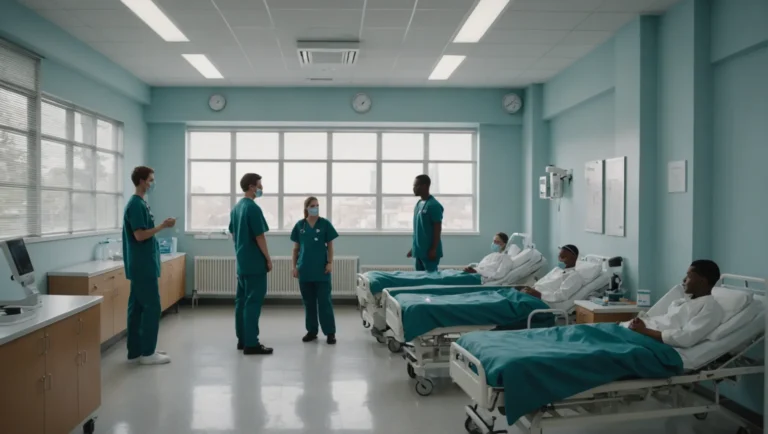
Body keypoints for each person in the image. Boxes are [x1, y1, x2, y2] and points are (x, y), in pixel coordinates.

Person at [122, 166, 176, 365]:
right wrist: (163, 226)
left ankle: (137, 350)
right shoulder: (136, 205)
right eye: (151, 180)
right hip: (142, 266)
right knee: (152, 306)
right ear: (142, 181)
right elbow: (139, 235)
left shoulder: (140, 204)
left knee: (136, 308)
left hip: (141, 264)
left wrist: (161, 224)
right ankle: (148, 353)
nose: (153, 184)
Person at [628, 260, 724, 348]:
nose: (684, 279)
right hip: (641, 331)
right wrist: (641, 323)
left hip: (651, 340)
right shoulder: (686, 300)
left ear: (702, 281)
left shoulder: (711, 308)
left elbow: (686, 338)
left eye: (689, 276)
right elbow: (666, 320)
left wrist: (644, 330)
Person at [229, 173, 273, 355]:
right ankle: (251, 343)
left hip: (242, 261)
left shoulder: (237, 208)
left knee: (241, 301)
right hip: (255, 263)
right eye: (260, 185)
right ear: (251, 187)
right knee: (253, 302)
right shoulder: (252, 208)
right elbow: (259, 236)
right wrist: (268, 259)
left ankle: (242, 339)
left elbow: (233, 233)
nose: (262, 188)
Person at [290, 197, 339, 345]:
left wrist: (330, 263)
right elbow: (296, 249)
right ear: (306, 208)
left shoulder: (324, 224)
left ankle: (330, 332)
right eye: (312, 205)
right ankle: (312, 331)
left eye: (317, 205)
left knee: (324, 302)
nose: (315, 208)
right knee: (309, 303)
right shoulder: (300, 226)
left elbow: (330, 246)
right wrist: (294, 267)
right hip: (305, 270)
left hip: (322, 270)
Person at [407, 174, 443, 272]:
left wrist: (433, 249)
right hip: (419, 252)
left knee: (430, 281)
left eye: (416, 186)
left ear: (424, 186)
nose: (413, 189)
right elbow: (418, 230)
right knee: (419, 281)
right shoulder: (419, 204)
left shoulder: (434, 205)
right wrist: (413, 248)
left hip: (429, 253)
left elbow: (437, 228)